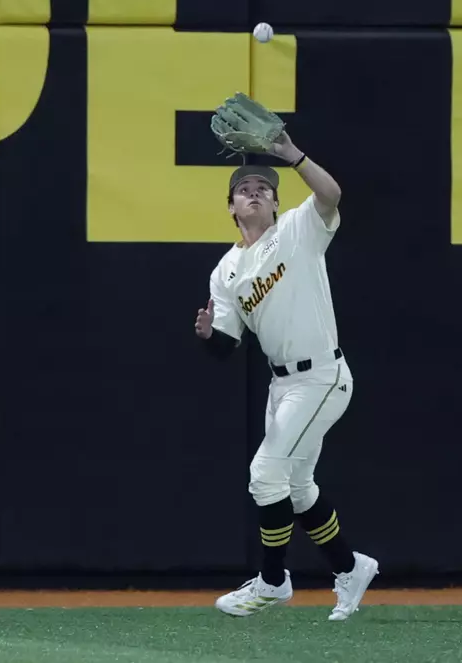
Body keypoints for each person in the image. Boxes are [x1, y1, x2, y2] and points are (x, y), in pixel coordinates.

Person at [193, 131, 378, 621]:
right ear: (231, 207)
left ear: (276, 204)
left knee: (263, 475)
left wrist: (292, 156)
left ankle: (273, 582)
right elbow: (227, 348)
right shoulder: (227, 270)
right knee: (297, 488)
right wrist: (210, 334)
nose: (254, 192)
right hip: (283, 385)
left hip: (321, 376)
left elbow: (332, 195)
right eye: (244, 188)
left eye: (264, 188)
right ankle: (350, 566)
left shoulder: (298, 229)